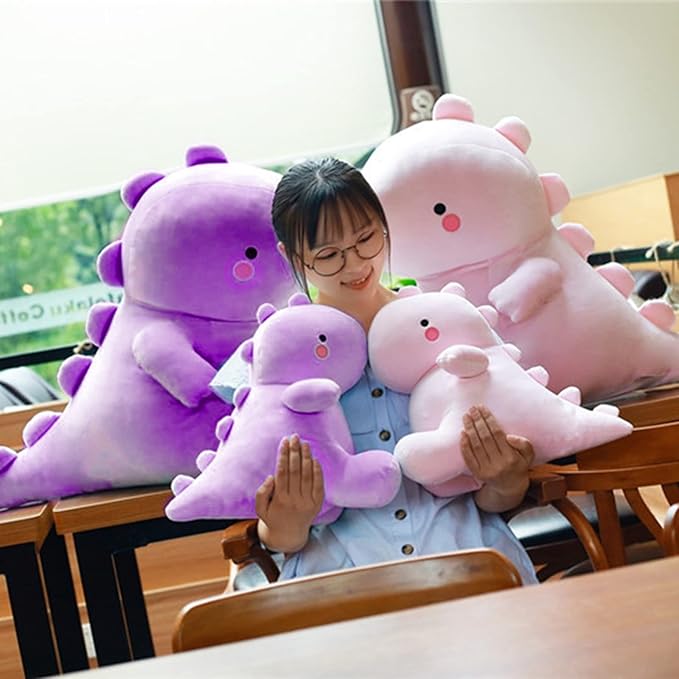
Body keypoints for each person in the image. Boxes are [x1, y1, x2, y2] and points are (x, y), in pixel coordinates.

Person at [255, 157, 538, 584]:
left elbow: (496, 498)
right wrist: (287, 521)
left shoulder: (446, 320)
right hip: (341, 582)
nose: (355, 265)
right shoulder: (277, 354)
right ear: (291, 255)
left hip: (469, 560)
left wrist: (506, 480)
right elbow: (279, 537)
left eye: (366, 238)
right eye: (328, 255)